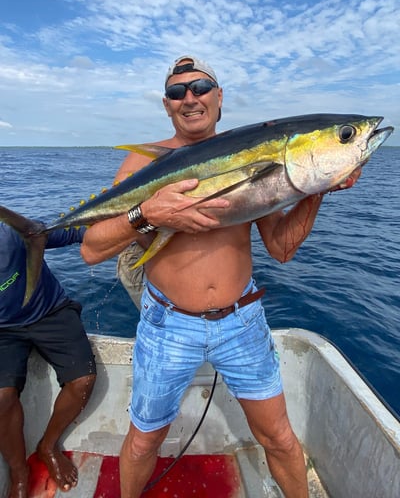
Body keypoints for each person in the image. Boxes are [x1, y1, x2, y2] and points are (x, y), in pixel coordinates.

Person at [81, 55, 361, 498]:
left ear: (219, 96)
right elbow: (91, 249)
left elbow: (282, 249)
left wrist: (316, 190)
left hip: (242, 322)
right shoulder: (142, 162)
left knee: (280, 438)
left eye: (201, 88)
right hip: (167, 325)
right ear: (167, 105)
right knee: (144, 440)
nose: (190, 98)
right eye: (177, 92)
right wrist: (145, 213)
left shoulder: (256, 150)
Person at [0, 220, 97, 498]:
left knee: (83, 380)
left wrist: (131, 222)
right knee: (1, 398)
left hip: (49, 311)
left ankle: (48, 445)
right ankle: (19, 471)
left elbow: (73, 230)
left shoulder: (11, 234)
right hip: (3, 330)